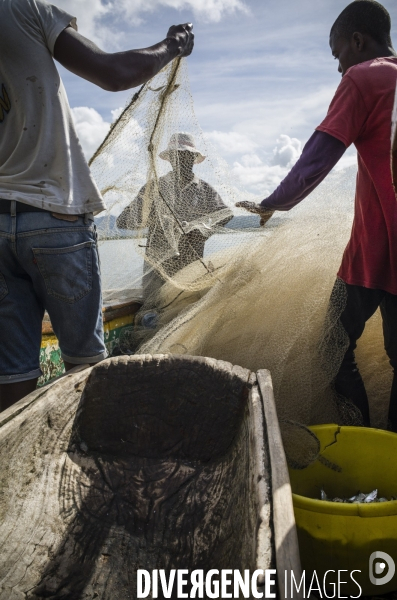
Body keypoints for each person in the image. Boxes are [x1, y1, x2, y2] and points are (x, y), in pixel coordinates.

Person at [0, 0, 194, 412]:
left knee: (12, 373)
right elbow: (113, 72)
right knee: (85, 367)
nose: (182, 162)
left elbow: (129, 221)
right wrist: (172, 44)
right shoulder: (21, 8)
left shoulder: (169, 188)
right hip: (55, 218)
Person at [237, 0, 397, 429]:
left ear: (357, 41)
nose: (339, 67)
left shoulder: (364, 78)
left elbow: (321, 152)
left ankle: (363, 438)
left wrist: (276, 201)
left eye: (337, 53)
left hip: (374, 251)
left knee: (332, 347)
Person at [117, 132, 233, 297]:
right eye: (176, 155)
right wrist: (153, 218)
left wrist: (203, 230)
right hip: (158, 272)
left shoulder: (204, 189)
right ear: (170, 158)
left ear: (194, 158)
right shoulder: (154, 187)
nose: (181, 160)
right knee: (154, 313)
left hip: (192, 270)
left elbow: (226, 214)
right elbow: (122, 221)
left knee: (188, 308)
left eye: (186, 155)